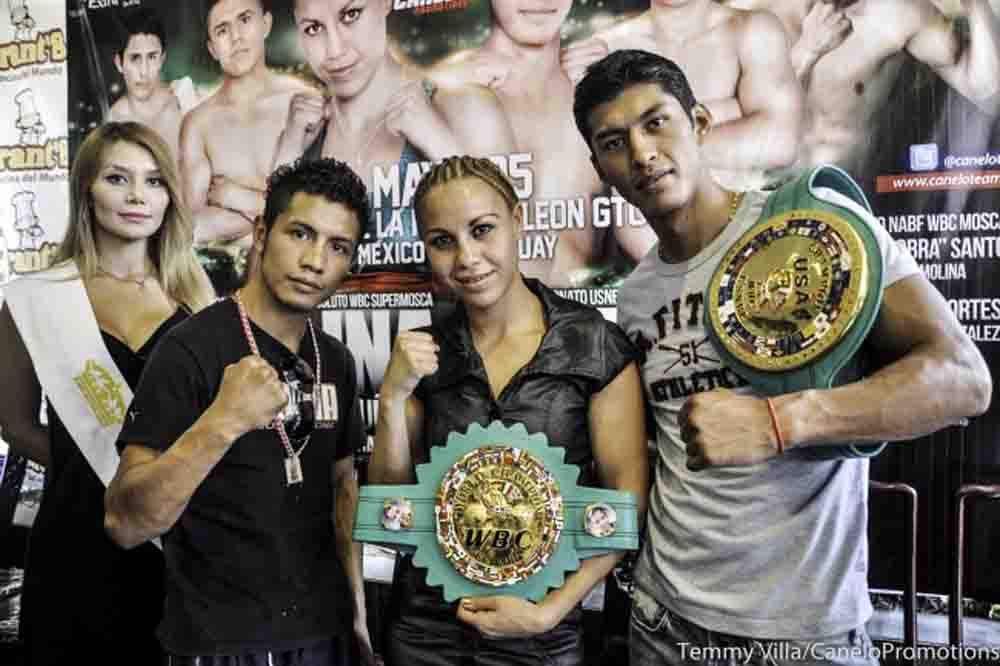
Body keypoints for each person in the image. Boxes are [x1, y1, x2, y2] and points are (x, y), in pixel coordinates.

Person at [572, 49, 992, 664]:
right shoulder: (636, 295)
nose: (641, 153)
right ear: (599, 165)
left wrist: (780, 422)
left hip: (802, 636)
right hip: (662, 622)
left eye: (657, 122)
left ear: (701, 122)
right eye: (614, 142)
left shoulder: (809, 225)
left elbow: (963, 379)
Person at [368, 155, 649, 665]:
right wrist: (392, 399)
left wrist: (549, 612)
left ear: (517, 222)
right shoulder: (422, 353)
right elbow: (388, 509)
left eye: (482, 230)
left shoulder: (594, 345)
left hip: (541, 629)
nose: (467, 258)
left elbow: (625, 506)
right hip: (427, 628)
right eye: (443, 241)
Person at [103, 158, 375, 664]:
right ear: (262, 232)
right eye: (300, 233)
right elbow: (126, 522)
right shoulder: (189, 350)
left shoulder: (335, 360)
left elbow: (342, 490)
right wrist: (222, 421)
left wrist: (356, 612)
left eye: (337, 247)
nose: (315, 260)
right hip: (220, 642)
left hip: (325, 636)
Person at [0, 121, 215, 664]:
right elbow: (17, 427)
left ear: (170, 196)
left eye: (154, 181)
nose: (138, 196)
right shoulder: (37, 298)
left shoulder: (198, 300)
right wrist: (91, 469)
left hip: (181, 544)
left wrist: (162, 484)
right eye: (118, 178)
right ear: (87, 192)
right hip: (76, 541)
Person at [273, 0, 516, 291]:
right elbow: (263, 287)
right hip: (328, 337)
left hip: (445, 335)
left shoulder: (464, 109)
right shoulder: (300, 138)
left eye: (351, 15)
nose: (335, 50)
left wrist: (441, 146)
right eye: (313, 28)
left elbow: (519, 266)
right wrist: (286, 157)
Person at [423, 0, 658, 287]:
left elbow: (654, 245)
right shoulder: (461, 95)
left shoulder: (597, 85)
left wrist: (623, 87)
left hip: (598, 316)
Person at [727, 0, 1000, 168]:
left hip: (857, 194)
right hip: (766, 194)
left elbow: (987, 93)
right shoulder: (747, 17)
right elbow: (743, 138)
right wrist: (806, 52)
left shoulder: (896, 13)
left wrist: (975, 5)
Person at [561, 0, 803, 188]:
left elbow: (779, 143)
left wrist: (649, 140)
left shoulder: (753, 30)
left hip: (741, 235)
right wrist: (729, 111)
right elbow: (595, 163)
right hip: (647, 240)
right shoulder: (604, 48)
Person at [180, 0, 316, 251]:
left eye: (244, 20)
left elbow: (320, 212)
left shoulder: (305, 104)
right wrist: (274, 209)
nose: (236, 37)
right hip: (233, 279)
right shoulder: (198, 124)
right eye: (222, 29)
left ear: (266, 24)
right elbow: (193, 230)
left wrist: (235, 197)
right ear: (212, 49)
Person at [107, 7, 199, 161]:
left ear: (162, 59)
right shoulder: (115, 121)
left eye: (152, 57)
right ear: (119, 63)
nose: (144, 71)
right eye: (135, 58)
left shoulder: (184, 99)